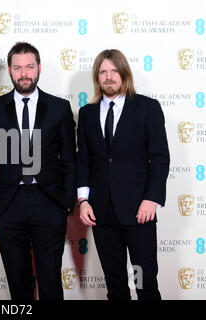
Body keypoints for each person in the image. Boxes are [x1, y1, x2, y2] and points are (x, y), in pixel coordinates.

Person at [0, 42, 76, 300]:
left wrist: (65, 199)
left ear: (39, 68)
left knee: (51, 279)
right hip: (8, 203)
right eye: (18, 68)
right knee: (17, 281)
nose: (24, 73)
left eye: (29, 67)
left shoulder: (59, 108)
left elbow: (69, 159)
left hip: (49, 201)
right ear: (10, 71)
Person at [76, 49, 170, 300]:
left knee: (145, 283)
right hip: (102, 213)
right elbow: (83, 160)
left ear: (124, 73)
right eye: (103, 72)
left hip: (139, 212)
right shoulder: (86, 114)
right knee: (115, 284)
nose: (108, 77)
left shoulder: (147, 108)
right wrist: (83, 200)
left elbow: (160, 156)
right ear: (97, 77)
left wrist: (152, 199)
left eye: (114, 71)